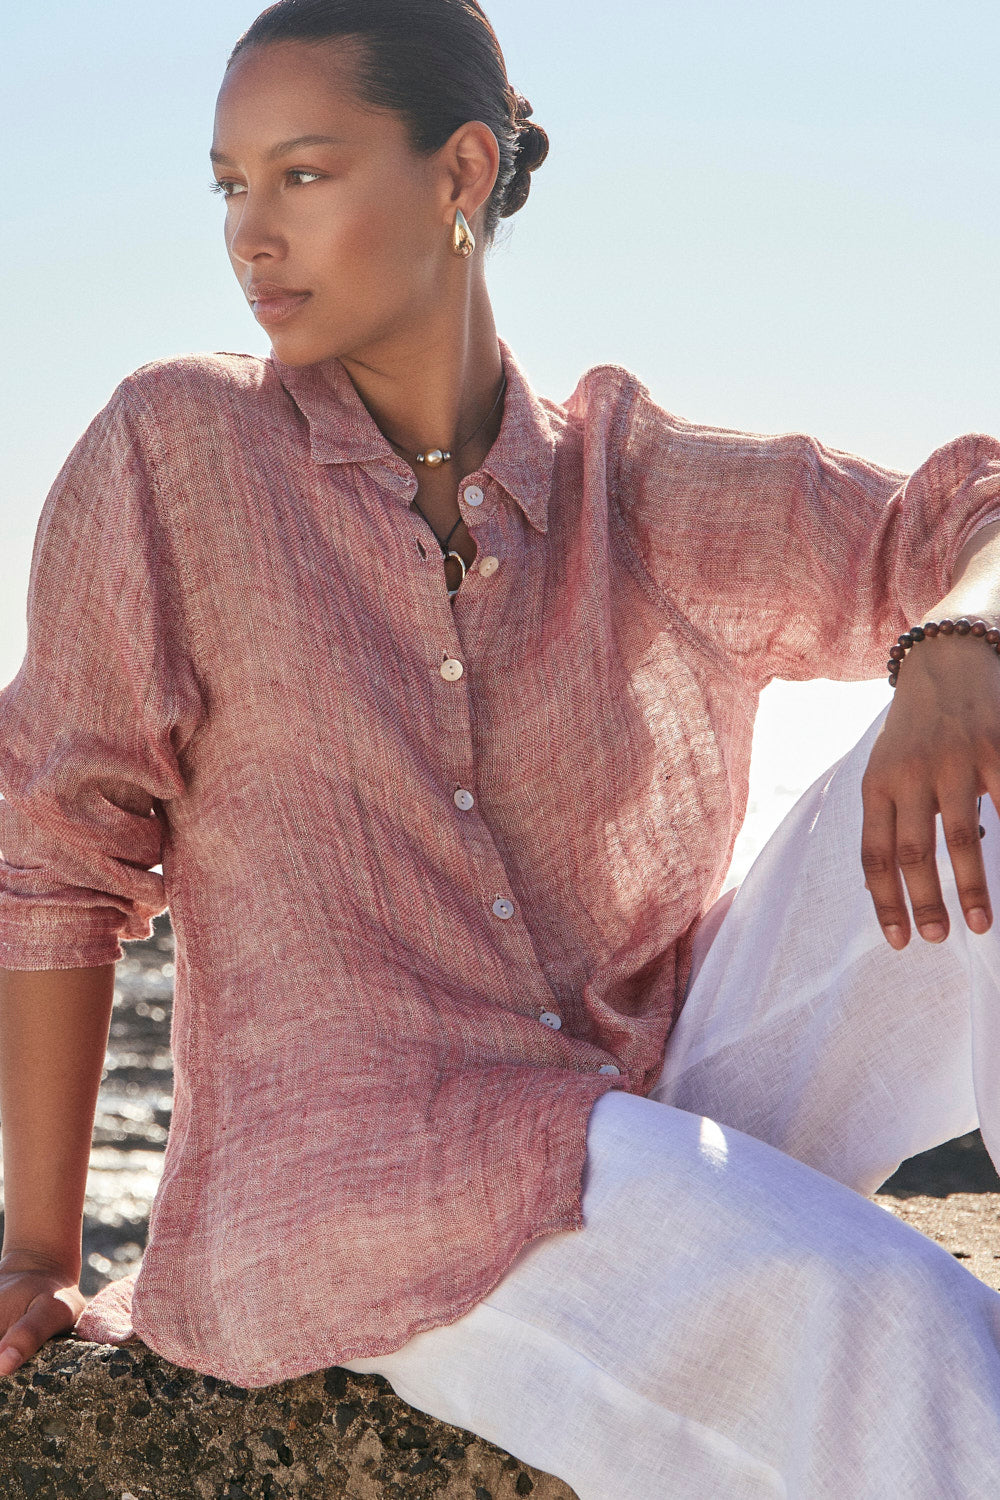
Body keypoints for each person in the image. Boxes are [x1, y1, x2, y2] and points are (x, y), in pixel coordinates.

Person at [2, 1, 1000, 1494]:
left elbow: (964, 524)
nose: (250, 234)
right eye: (231, 184)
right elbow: (53, 855)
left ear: (461, 173)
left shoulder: (625, 479)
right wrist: (34, 1251)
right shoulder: (175, 450)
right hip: (364, 1183)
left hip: (649, 1089)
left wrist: (956, 649)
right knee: (889, 1323)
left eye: (304, 174)